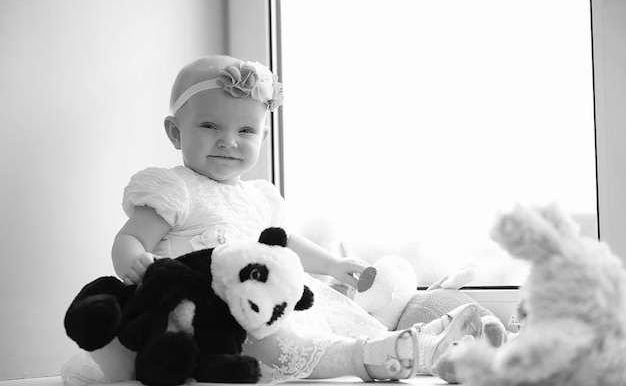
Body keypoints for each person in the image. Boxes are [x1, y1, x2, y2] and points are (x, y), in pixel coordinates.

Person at [62, 55, 482, 385]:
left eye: (246, 130)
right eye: (210, 125)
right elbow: (130, 237)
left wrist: (333, 265)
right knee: (285, 345)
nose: (229, 140)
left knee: (325, 323)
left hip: (266, 303)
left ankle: (430, 347)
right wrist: (134, 261)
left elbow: (285, 242)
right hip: (209, 314)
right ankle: (383, 354)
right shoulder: (176, 189)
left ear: (263, 137)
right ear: (175, 132)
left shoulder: (257, 196)